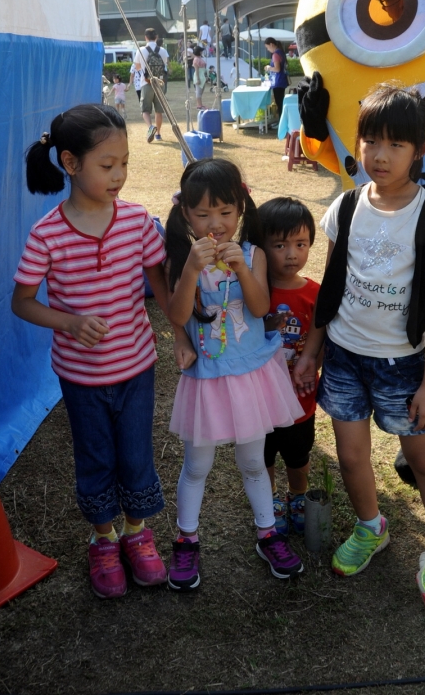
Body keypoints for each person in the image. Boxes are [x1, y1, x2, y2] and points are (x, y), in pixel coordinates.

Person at [294, 83, 425, 613]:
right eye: (371, 141)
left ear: (420, 150)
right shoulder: (345, 206)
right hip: (345, 357)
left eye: (396, 143)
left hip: (403, 365)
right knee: (350, 457)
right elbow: (330, 287)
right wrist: (313, 351)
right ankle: (372, 528)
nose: (380, 155)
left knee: (424, 461)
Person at [11, 104, 195, 600]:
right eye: (107, 165)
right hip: (80, 378)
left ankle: (137, 533)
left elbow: (161, 287)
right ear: (70, 163)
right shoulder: (46, 235)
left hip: (137, 368)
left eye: (125, 163)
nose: (119, 175)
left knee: (135, 454)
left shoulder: (136, 221)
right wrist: (69, 322)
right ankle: (104, 540)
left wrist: (179, 335)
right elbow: (22, 302)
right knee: (95, 458)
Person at [165, 158, 305, 591]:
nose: (216, 223)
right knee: (197, 465)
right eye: (203, 213)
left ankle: (268, 533)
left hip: (250, 376)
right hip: (206, 378)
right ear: (186, 214)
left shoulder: (253, 254)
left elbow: (260, 308)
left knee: (253, 462)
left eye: (225, 212)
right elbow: (177, 315)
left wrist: (243, 269)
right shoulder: (182, 257)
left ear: (241, 209)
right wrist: (191, 269)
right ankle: (186, 540)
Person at [258, 197, 320, 536]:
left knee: (298, 453)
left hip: (300, 396)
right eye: (280, 245)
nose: (292, 254)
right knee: (264, 454)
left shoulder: (314, 293)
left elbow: (322, 339)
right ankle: (268, 502)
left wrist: (314, 365)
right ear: (261, 247)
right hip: (260, 398)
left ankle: (297, 496)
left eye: (301, 243)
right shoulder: (254, 292)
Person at [134, 28, 169, 143]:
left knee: (145, 110)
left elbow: (137, 67)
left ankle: (150, 127)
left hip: (147, 82)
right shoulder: (163, 51)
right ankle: (158, 134)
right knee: (159, 111)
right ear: (156, 37)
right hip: (160, 83)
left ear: (146, 37)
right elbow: (165, 65)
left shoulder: (141, 50)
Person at [264, 37, 289, 119]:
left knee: (279, 103)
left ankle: (281, 121)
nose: (268, 49)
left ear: (271, 44)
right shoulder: (281, 52)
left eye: (267, 47)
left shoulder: (275, 54)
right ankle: (282, 120)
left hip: (277, 82)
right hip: (282, 81)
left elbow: (277, 69)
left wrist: (269, 68)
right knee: (281, 102)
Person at [192, 45, 207, 111]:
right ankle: (199, 105)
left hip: (202, 75)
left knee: (201, 91)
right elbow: (197, 70)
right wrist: (198, 79)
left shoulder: (199, 58)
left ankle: (200, 104)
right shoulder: (196, 59)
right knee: (198, 91)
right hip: (199, 75)